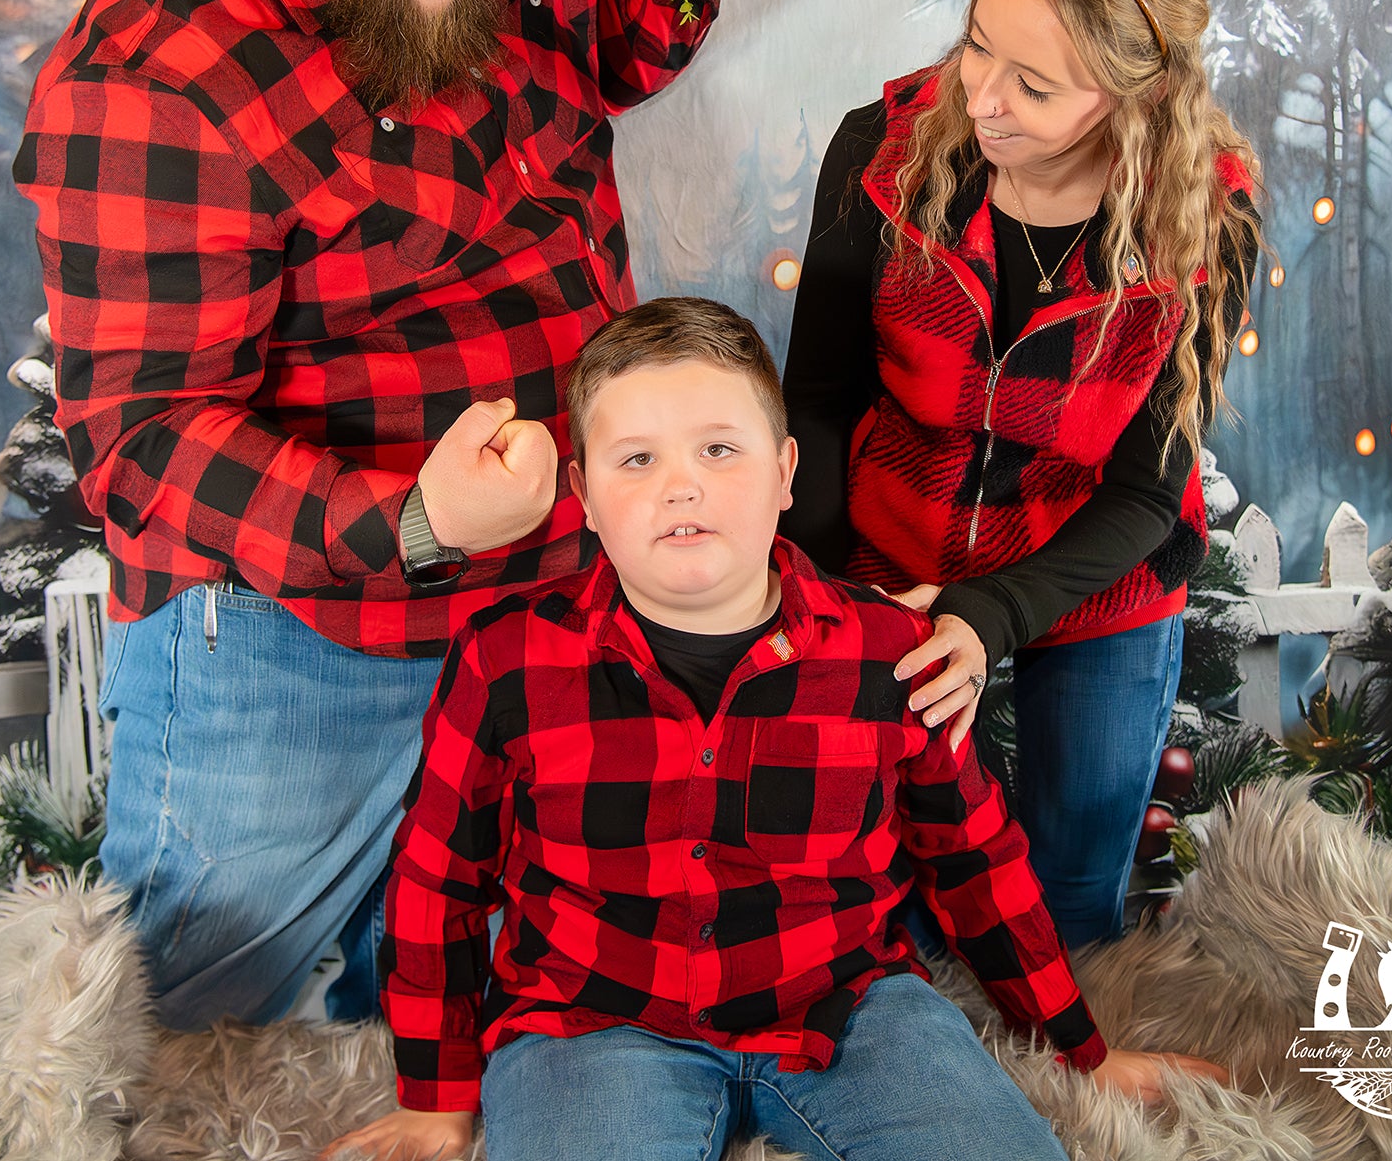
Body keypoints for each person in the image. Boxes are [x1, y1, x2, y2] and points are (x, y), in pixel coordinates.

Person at [13, 0, 742, 1030]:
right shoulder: (158, 74)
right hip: (300, 643)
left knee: (482, 1031)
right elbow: (144, 446)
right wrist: (411, 520)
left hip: (536, 609)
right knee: (199, 1048)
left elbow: (603, 57)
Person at [327, 297, 1227, 1161]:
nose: (681, 484)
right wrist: (434, 1097)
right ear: (584, 494)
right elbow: (437, 880)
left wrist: (1081, 1049)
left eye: (720, 449)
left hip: (849, 1012)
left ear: (787, 473)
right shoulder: (507, 659)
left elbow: (973, 858)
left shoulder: (891, 653)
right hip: (592, 1022)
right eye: (635, 460)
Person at [781, 0, 1261, 949]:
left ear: (1133, 101)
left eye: (1033, 86)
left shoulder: (1200, 221)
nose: (980, 97)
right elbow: (815, 396)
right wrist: (824, 598)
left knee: (1069, 891)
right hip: (885, 551)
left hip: (1090, 570)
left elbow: (1146, 487)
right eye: (974, 46)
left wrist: (990, 612)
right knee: (869, 881)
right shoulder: (883, 153)